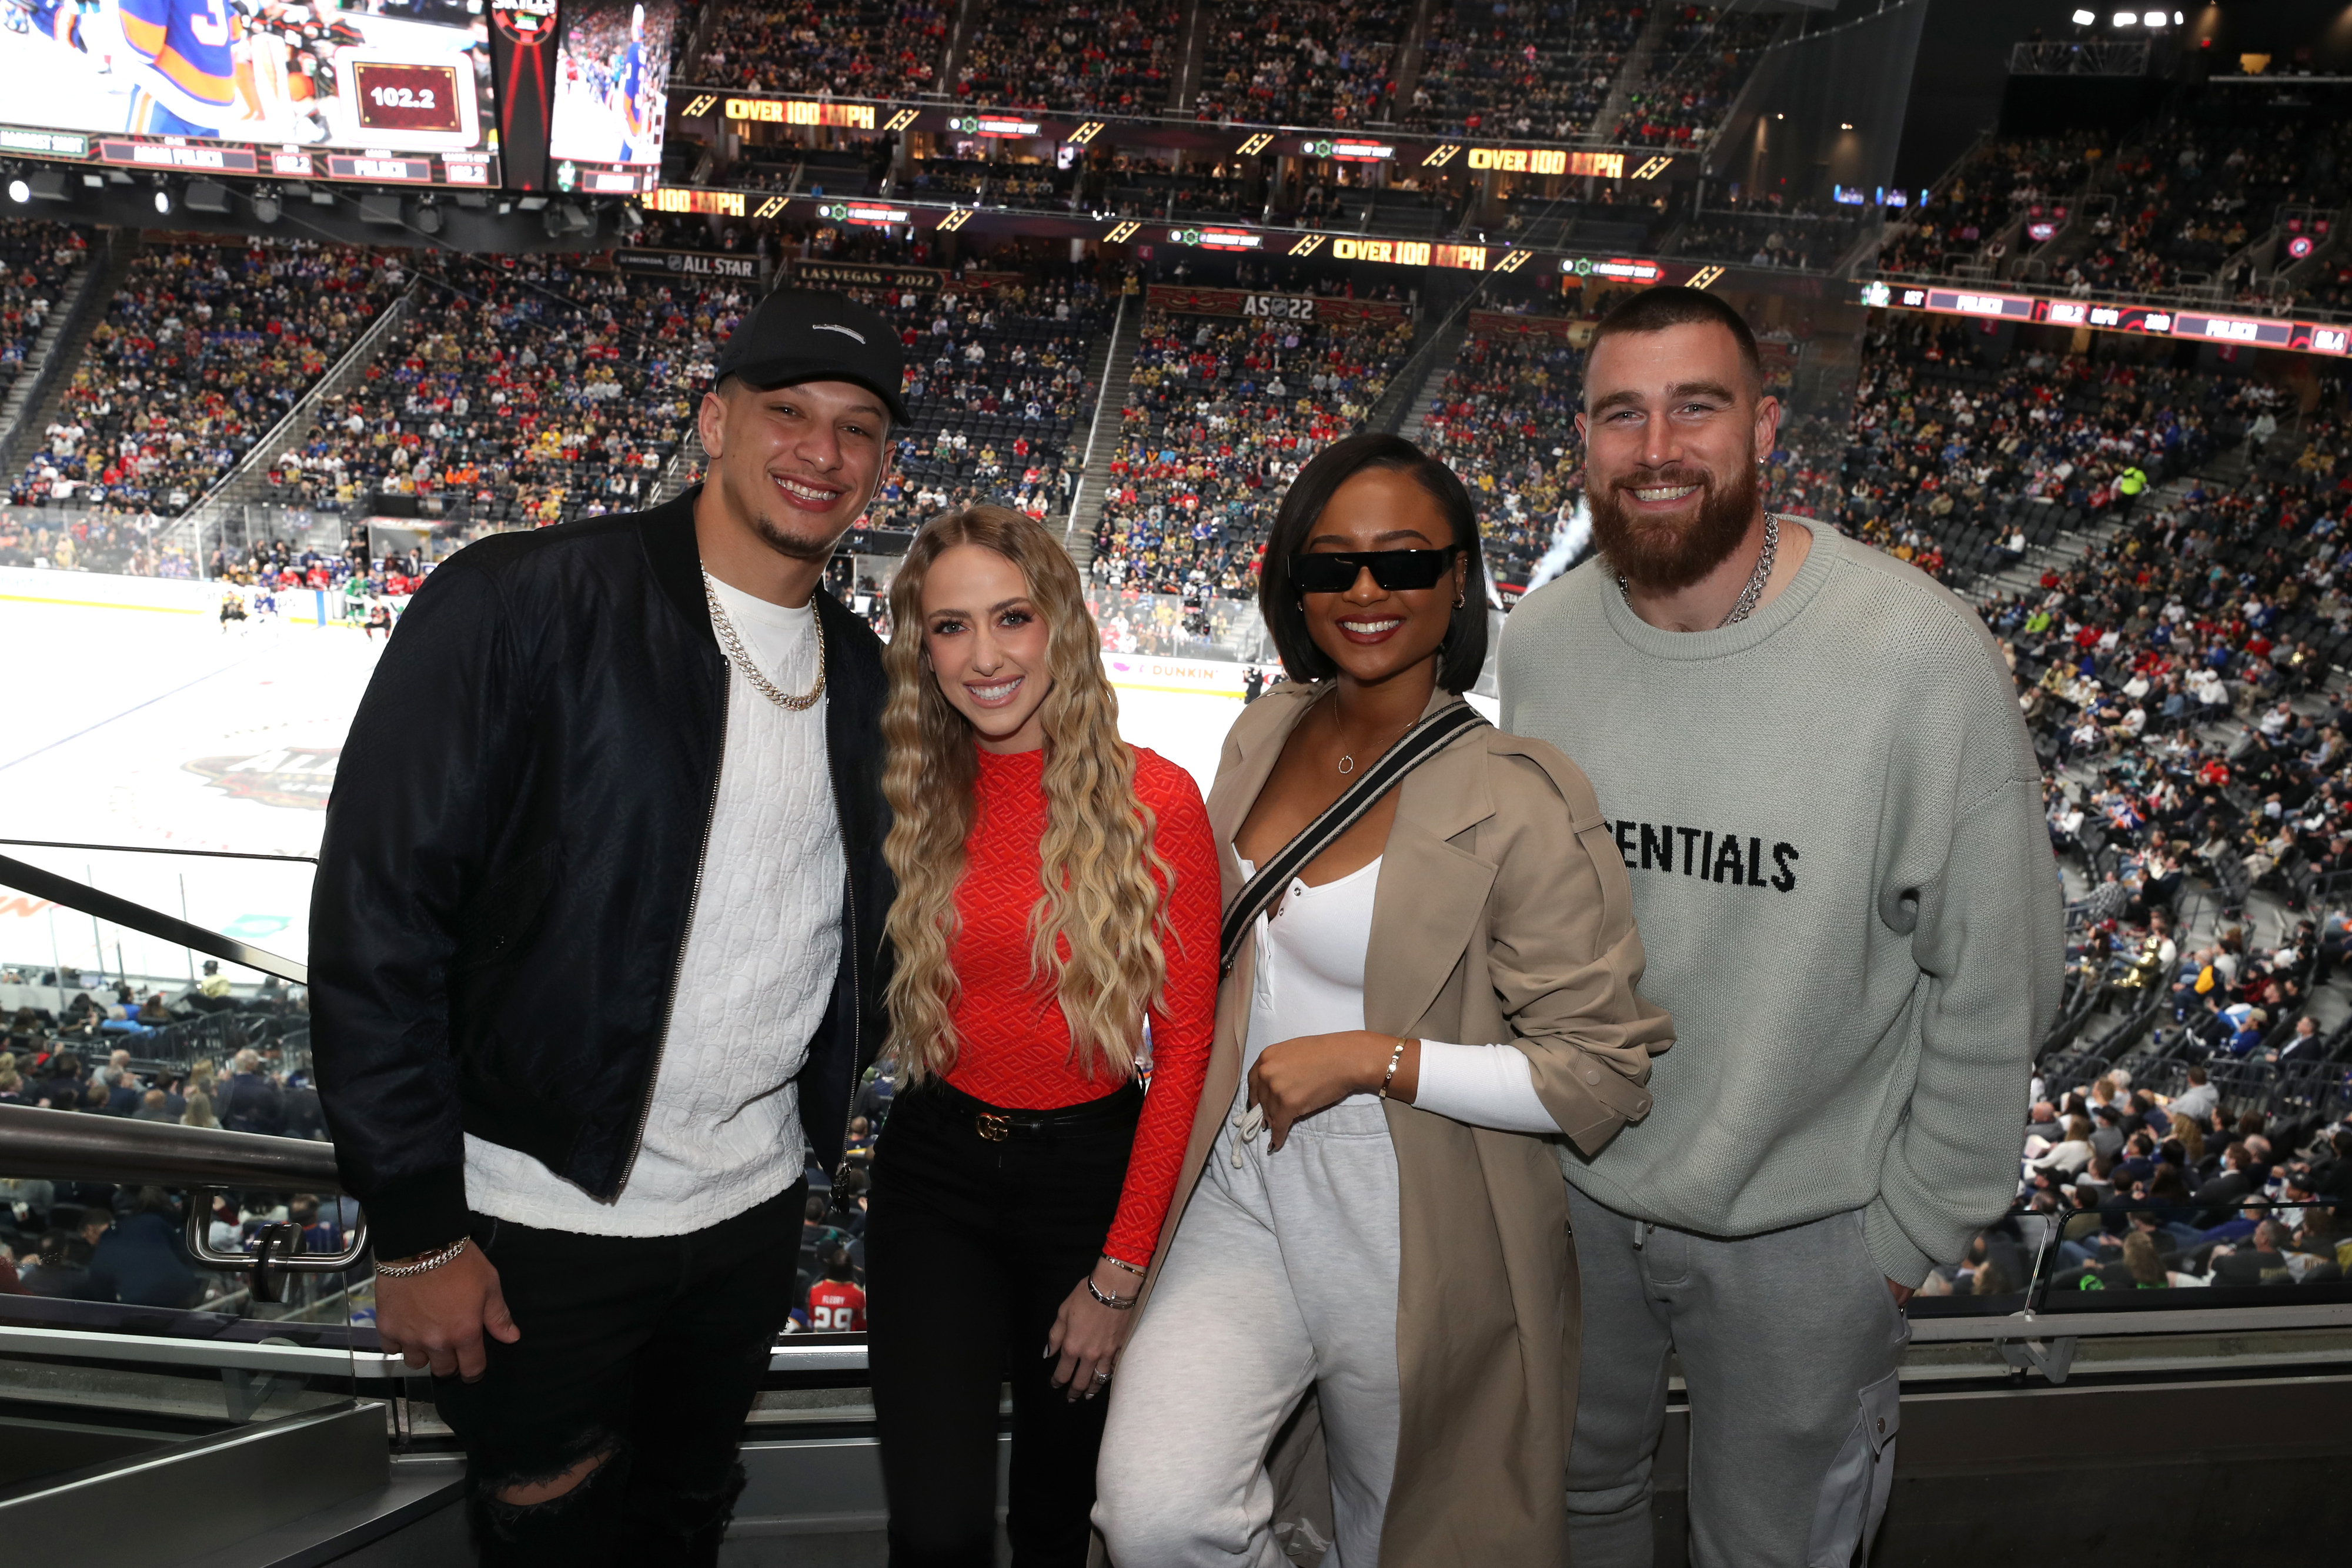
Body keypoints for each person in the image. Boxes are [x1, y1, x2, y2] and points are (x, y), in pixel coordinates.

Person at [311, 288, 904, 1566]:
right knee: (552, 1534)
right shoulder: (522, 599)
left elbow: (855, 937)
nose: (820, 450)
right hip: (534, 1221)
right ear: (712, 422)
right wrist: (416, 1225)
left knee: (683, 1518)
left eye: (856, 428)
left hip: (748, 1219)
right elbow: (378, 915)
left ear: (881, 466)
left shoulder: (863, 679)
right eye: (786, 412)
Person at [1499, 286, 2062, 1567]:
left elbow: (1997, 972)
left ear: (1762, 429)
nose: (1654, 448)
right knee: (1566, 1510)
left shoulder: (1917, 655)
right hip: (1576, 1196)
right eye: (1618, 415)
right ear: (1581, 442)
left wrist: (1907, 1234)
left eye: (1693, 408)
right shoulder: (1541, 641)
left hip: (1810, 1235)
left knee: (1772, 1550)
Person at [1097, 433, 1673, 1566]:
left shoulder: (1520, 796)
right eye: (1333, 566)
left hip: (1409, 1198)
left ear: (1459, 579)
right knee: (1155, 1515)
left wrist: (1376, 1058)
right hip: (1241, 1175)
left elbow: (1600, 1072)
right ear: (1293, 584)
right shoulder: (1264, 731)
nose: (1367, 593)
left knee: (1397, 1529)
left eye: (1405, 564)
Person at [864, 506, 1218, 1566]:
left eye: (1010, 618)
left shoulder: (1159, 799)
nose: (984, 657)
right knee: (937, 1529)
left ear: (1059, 622)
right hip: (936, 1178)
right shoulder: (915, 789)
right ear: (921, 649)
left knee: (1062, 1523)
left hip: (1091, 1188)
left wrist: (1118, 1274)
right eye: (950, 628)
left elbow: (1188, 1045)